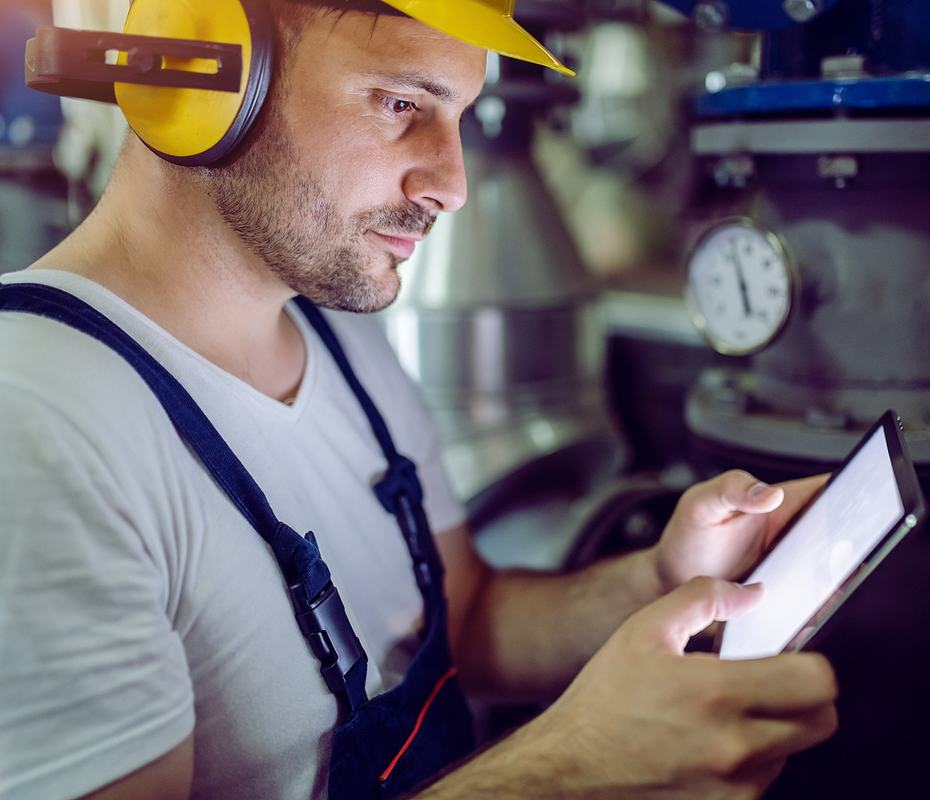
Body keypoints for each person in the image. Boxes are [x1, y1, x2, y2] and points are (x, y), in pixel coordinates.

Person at [0, 1, 837, 799]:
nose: (453, 184)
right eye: (401, 103)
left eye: (460, 116)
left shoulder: (340, 336)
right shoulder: (38, 418)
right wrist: (567, 771)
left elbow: (459, 620)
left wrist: (657, 579)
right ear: (196, 78)